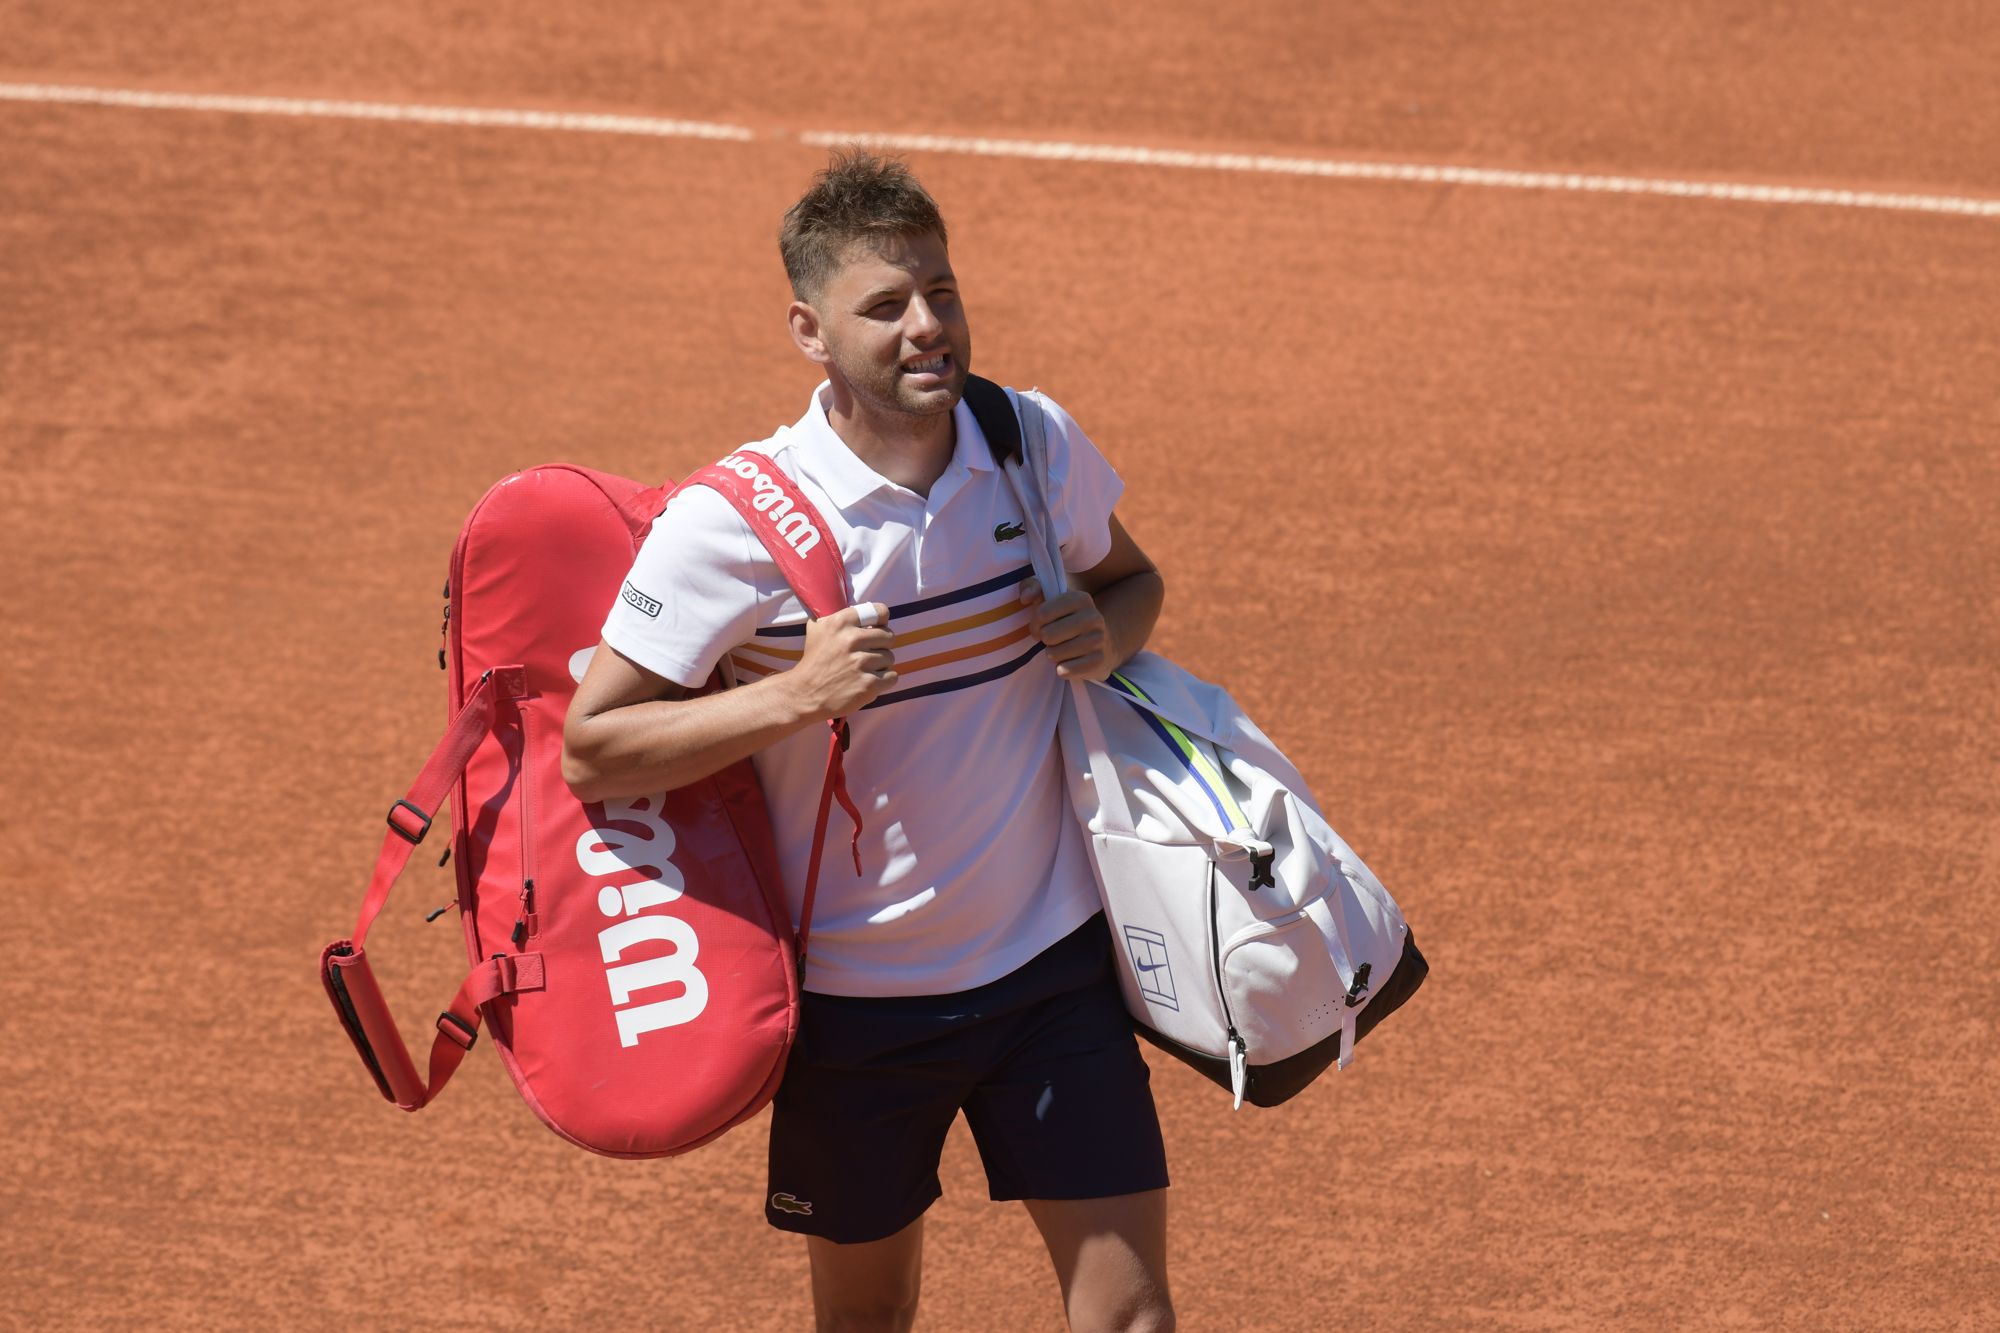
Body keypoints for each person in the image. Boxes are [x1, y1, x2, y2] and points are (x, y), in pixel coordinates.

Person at [562, 149, 1173, 1333]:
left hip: (1051, 968)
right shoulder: (729, 523)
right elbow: (595, 745)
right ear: (809, 330)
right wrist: (795, 695)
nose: (926, 326)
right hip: (856, 1005)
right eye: (884, 305)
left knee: (1132, 1316)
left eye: (940, 291)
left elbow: (1132, 581)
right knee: (867, 1318)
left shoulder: (1029, 443)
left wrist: (1103, 634)